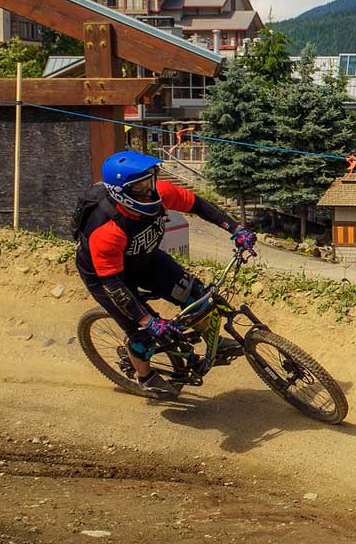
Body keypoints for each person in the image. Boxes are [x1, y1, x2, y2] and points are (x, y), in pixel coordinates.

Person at [73, 150, 255, 396]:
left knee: (197, 297)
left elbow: (198, 205)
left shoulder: (161, 193)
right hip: (108, 278)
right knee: (142, 335)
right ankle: (145, 377)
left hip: (145, 259)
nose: (149, 190)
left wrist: (236, 229)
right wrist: (148, 321)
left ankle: (216, 344)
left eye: (150, 179)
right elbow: (114, 286)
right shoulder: (107, 230)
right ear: (121, 193)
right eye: (140, 186)